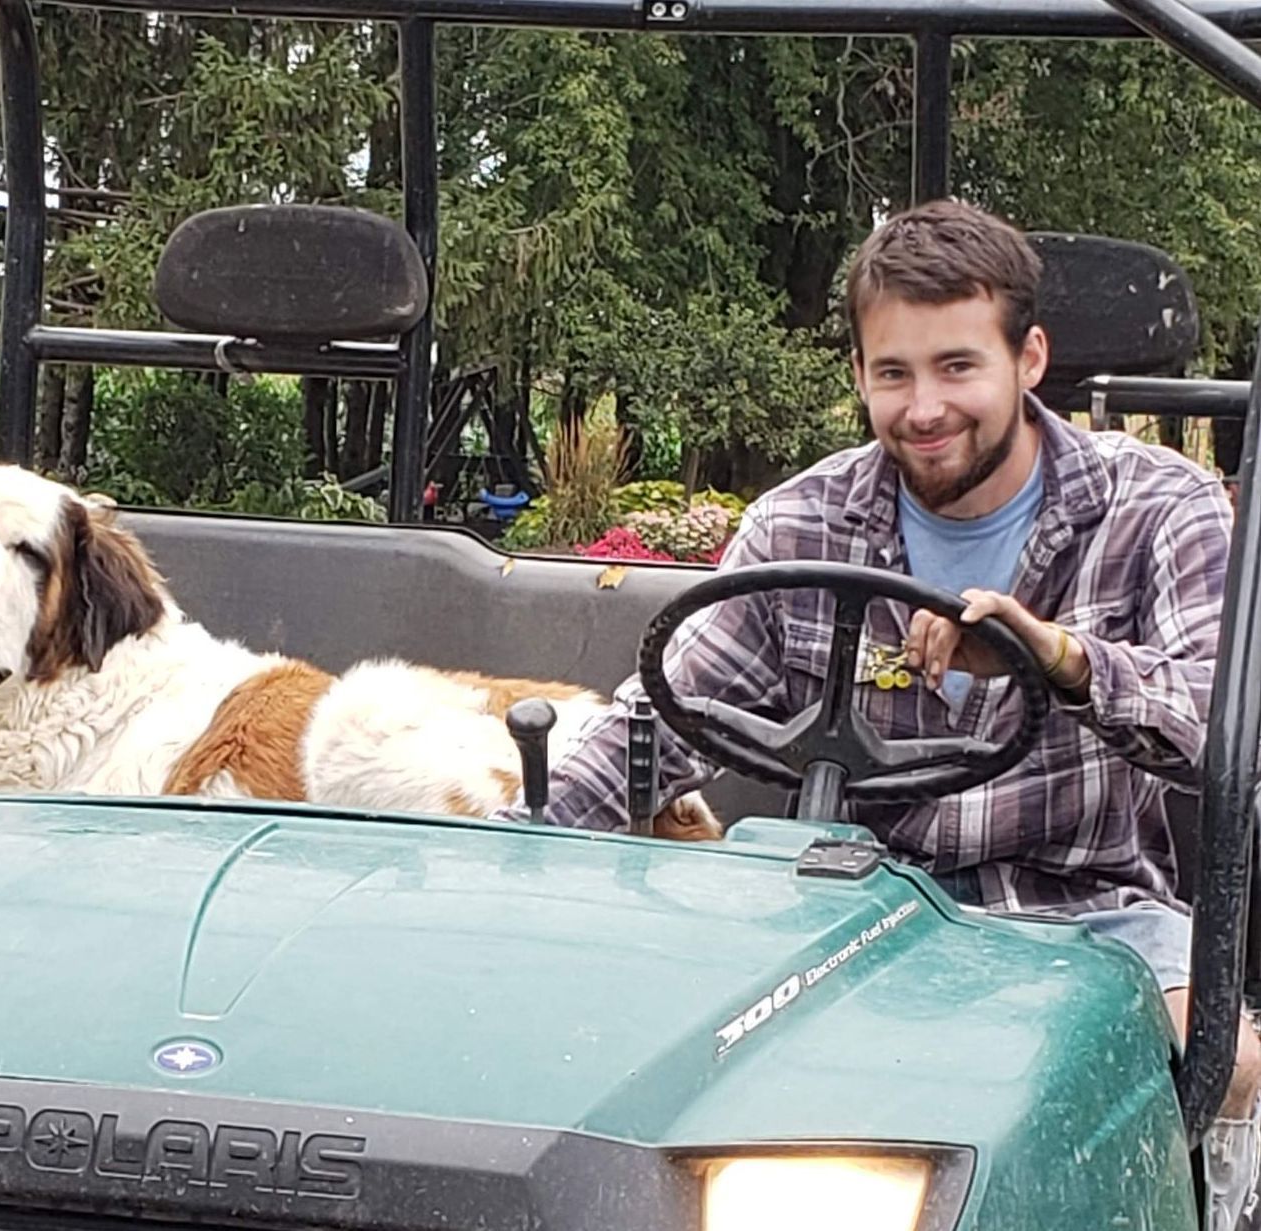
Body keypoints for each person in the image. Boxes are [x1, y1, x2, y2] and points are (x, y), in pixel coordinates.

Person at [498, 198, 1259, 1225]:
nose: (924, 407)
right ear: (857, 374)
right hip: (845, 909)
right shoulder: (800, 523)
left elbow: (1217, 731)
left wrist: (1058, 658)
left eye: (957, 366)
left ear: (1028, 359)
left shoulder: (1156, 506)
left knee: (1229, 1061)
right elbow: (662, 720)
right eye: (892, 373)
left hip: (1088, 910)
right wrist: (507, 858)